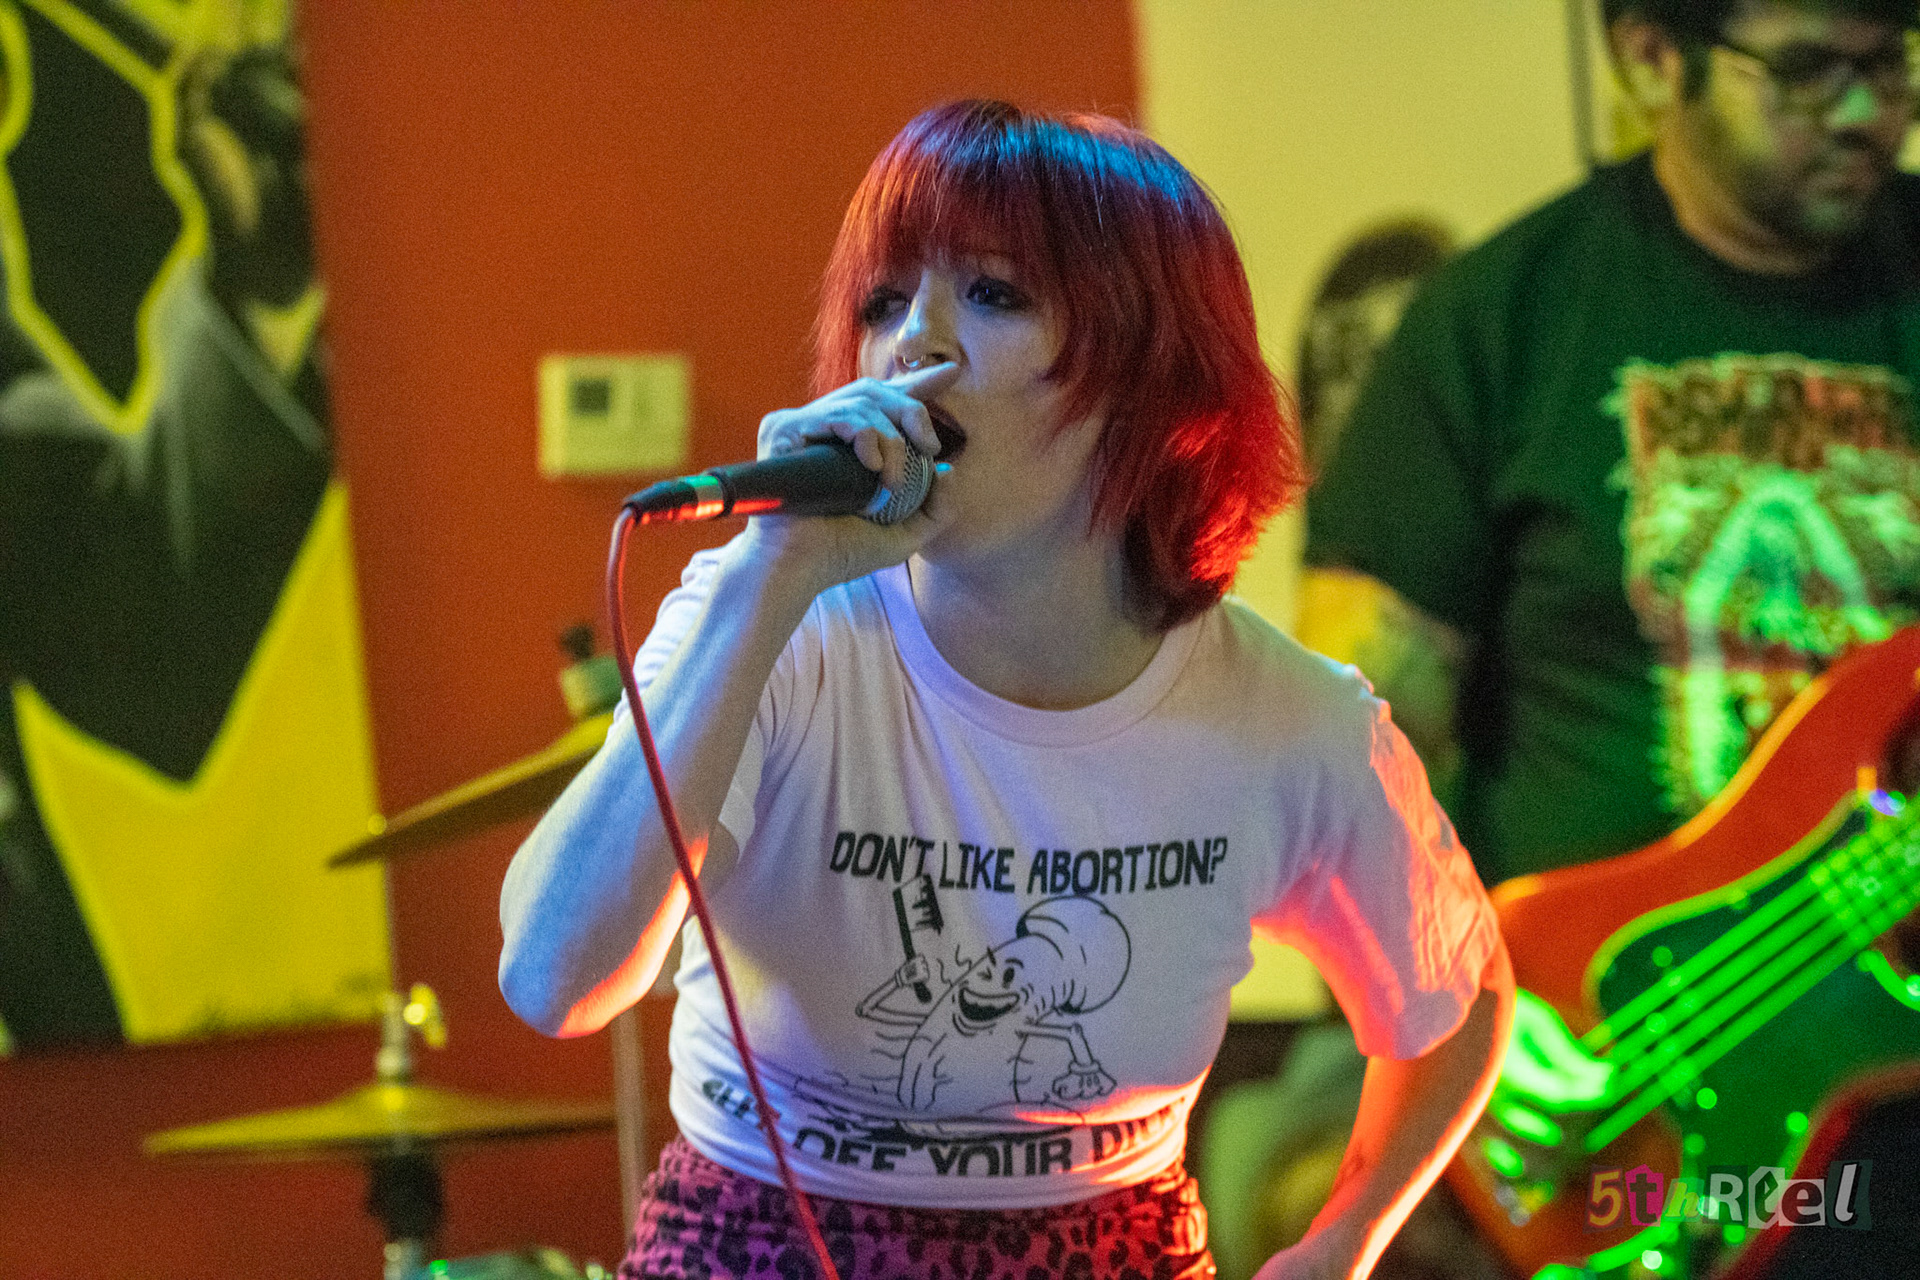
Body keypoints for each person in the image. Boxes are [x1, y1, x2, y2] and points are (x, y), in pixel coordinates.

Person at [499, 101, 1513, 1280]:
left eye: (992, 293)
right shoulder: (771, 626)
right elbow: (553, 977)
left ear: (1149, 372)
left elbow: (1457, 991)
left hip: (1111, 1245)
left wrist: (1343, 1238)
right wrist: (766, 576)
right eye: (883, 302)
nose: (913, 343)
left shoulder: (1286, 720)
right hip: (758, 1242)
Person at [1301, 1, 1920, 1275]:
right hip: (1613, 1096)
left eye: (1891, 63)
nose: (1866, 112)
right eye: (1806, 70)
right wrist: (1448, 999)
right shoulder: (1502, 320)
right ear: (1649, 56)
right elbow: (1341, 755)